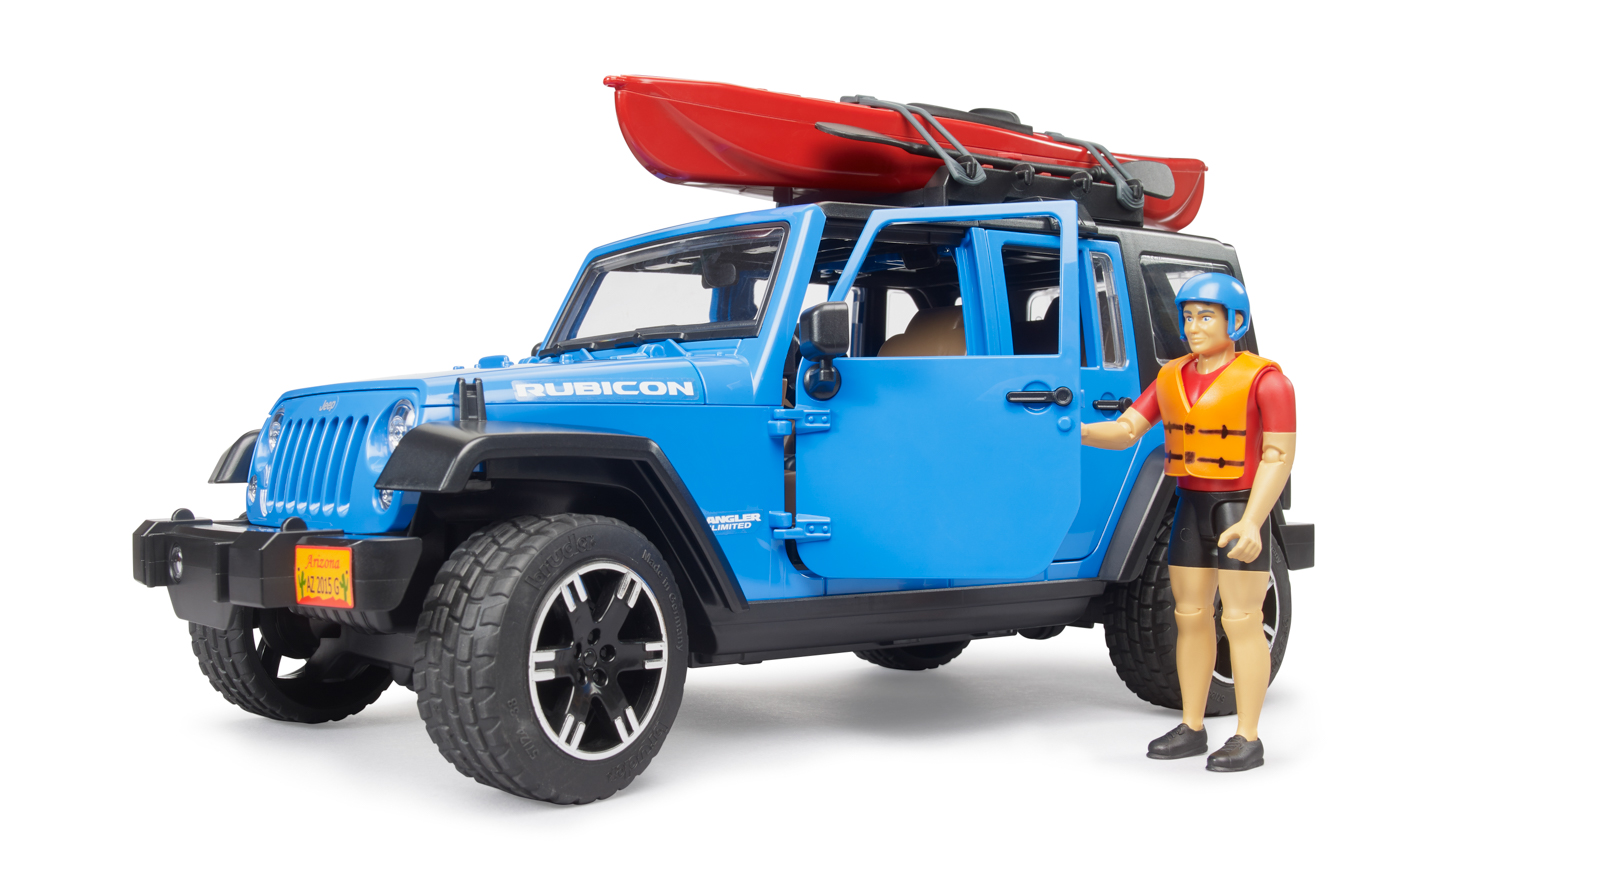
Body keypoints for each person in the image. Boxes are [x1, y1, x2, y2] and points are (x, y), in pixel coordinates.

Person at [1080, 273, 1295, 772]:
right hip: (1189, 505)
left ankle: (1247, 736)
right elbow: (1126, 430)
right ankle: (1192, 726)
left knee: (1241, 620)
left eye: (1205, 317)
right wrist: (1077, 432)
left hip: (1238, 507)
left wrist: (1254, 521)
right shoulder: (1171, 377)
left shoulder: (1267, 381)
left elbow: (1278, 455)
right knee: (1190, 615)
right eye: (1188, 317)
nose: (1193, 326)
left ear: (1235, 321)